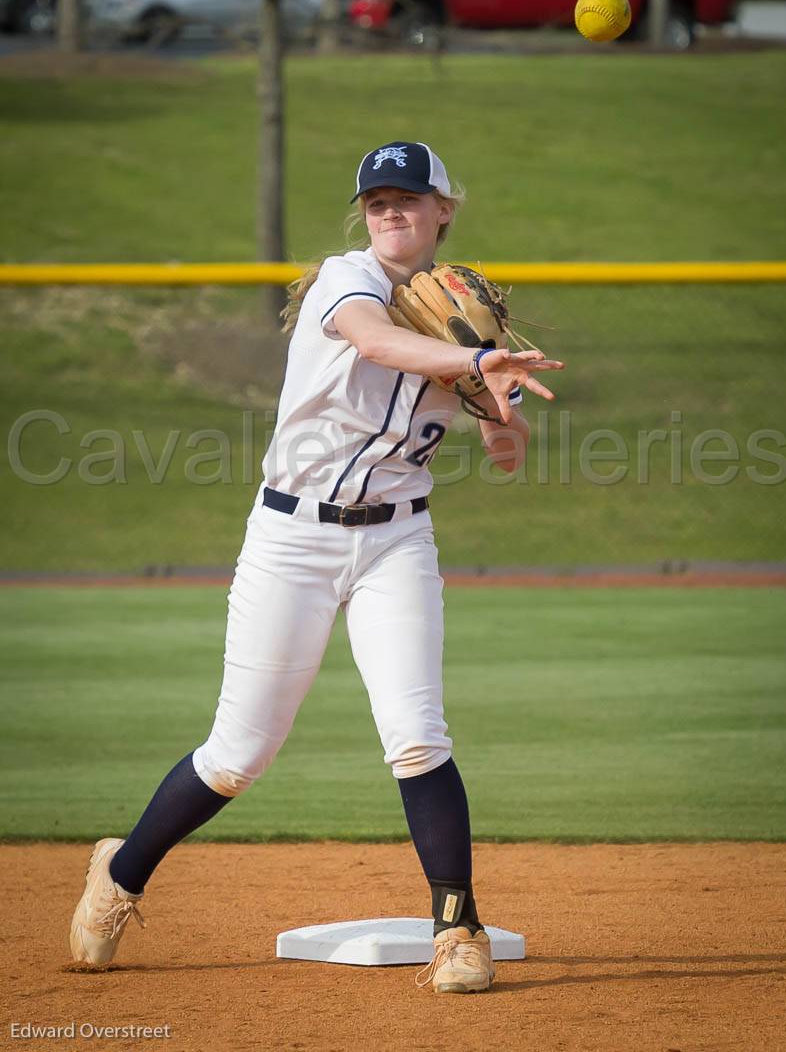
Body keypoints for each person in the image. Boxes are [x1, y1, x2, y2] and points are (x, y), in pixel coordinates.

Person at [69, 141, 563, 994]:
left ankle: (457, 931)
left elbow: (507, 451)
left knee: (417, 734)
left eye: (409, 198)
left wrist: (498, 400)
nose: (390, 212)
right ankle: (119, 874)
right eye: (377, 201)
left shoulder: (459, 316)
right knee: (236, 756)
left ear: (445, 209)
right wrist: (470, 361)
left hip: (396, 542)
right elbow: (375, 342)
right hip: (290, 541)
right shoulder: (346, 280)